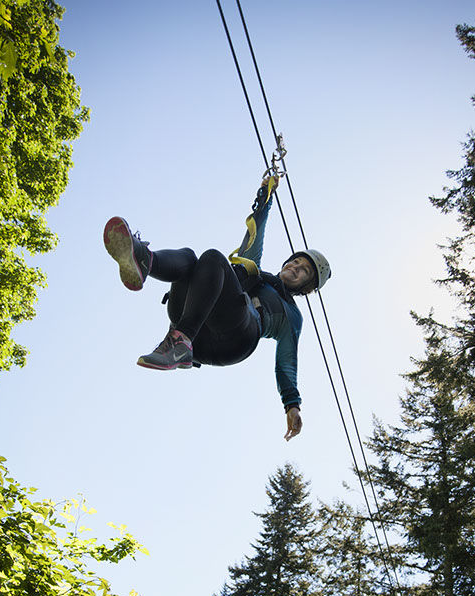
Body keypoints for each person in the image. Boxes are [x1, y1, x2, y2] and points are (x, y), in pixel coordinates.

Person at [103, 176, 331, 442]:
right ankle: (145, 261)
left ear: (306, 288)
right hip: (194, 321)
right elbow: (255, 234)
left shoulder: (292, 315)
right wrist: (265, 197)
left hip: (236, 339)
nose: (295, 268)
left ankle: (180, 342)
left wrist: (292, 405)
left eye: (303, 271)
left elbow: (287, 361)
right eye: (295, 262)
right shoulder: (254, 273)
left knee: (213, 258)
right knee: (191, 258)